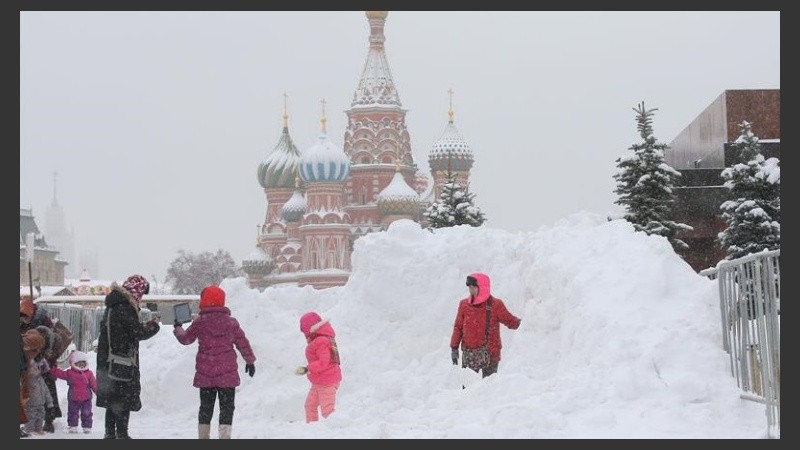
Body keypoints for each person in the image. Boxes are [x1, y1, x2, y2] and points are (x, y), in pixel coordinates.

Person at [173, 285, 256, 439]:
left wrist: (178, 328)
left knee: (205, 408)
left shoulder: (200, 322)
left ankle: (203, 437)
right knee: (227, 408)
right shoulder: (231, 323)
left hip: (206, 374)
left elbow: (186, 339)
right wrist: (249, 361)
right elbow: (242, 342)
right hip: (227, 374)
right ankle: (225, 437)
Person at [95, 274, 160, 439]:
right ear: (136, 290)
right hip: (121, 360)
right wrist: (153, 327)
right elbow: (136, 333)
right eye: (142, 292)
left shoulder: (114, 305)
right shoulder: (124, 307)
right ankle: (122, 434)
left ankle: (110, 434)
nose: (141, 296)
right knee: (122, 399)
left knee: (112, 399)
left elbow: (124, 331)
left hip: (109, 359)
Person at [450, 272, 521, 378]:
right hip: (470, 354)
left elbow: (510, 321)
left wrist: (528, 323)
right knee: (467, 388)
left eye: (474, 287)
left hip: (490, 355)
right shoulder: (464, 305)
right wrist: (454, 348)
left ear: (482, 288)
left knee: (488, 389)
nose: (471, 290)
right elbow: (458, 327)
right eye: (469, 287)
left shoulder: (495, 305)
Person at [20, 295, 70, 433]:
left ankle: (49, 419)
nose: (24, 320)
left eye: (25, 317)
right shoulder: (22, 322)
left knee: (47, 390)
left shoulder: (43, 320)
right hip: (30, 358)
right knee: (31, 391)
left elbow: (51, 340)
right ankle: (30, 418)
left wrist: (44, 355)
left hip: (45, 359)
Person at [295, 312, 342, 423]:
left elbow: (324, 362)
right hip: (319, 381)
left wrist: (308, 369)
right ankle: (312, 430)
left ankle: (336, 431)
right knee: (309, 406)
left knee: (327, 411)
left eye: (305, 331)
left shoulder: (322, 341)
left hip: (327, 381)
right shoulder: (320, 339)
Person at [49, 350, 97, 434]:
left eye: (83, 363)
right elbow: (60, 373)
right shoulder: (70, 373)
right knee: (72, 412)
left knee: (87, 413)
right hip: (73, 397)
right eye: (79, 363)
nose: (81, 365)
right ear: (73, 363)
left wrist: (98, 392)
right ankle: (73, 426)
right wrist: (52, 370)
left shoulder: (89, 373)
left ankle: (87, 426)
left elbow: (94, 384)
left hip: (86, 398)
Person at [22, 331, 54, 435]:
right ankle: (29, 430)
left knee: (40, 417)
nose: (35, 371)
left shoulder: (40, 380)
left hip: (40, 404)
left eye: (37, 369)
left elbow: (46, 391)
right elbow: (24, 390)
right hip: (30, 404)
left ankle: (38, 428)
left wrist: (49, 402)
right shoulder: (26, 378)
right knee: (30, 417)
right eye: (33, 369)